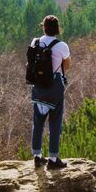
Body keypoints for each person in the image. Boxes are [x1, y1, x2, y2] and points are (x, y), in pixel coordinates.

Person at [30, 15, 70, 169]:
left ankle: (37, 156)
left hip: (38, 88)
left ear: (44, 27)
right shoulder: (62, 46)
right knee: (55, 124)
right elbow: (67, 66)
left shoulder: (35, 42)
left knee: (37, 123)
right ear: (57, 29)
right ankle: (53, 159)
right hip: (54, 90)